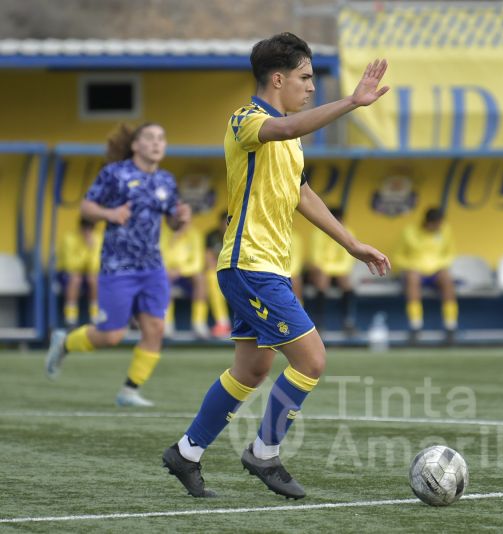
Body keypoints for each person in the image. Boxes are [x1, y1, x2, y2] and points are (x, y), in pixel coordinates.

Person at [161, 33, 391, 499]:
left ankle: (186, 453)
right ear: (278, 79)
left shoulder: (290, 138)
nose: (312, 87)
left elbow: (302, 194)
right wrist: (352, 102)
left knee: (251, 371)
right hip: (250, 264)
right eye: (305, 78)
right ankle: (264, 453)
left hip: (267, 267)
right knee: (312, 359)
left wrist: (352, 244)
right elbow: (283, 130)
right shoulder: (246, 119)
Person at [44, 123, 192, 407]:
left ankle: (129, 391)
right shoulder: (114, 173)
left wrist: (181, 219)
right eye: (150, 137)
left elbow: (172, 222)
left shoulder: (166, 180)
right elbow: (87, 207)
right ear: (135, 145)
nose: (156, 143)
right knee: (111, 335)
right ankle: (64, 343)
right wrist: (110, 214)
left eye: (161, 138)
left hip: (152, 266)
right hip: (118, 266)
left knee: (155, 329)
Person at [394, 207, 458, 345]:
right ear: (428, 222)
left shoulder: (445, 230)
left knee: (447, 279)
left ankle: (450, 327)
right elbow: (398, 256)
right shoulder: (409, 232)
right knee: (412, 278)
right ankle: (415, 326)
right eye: (436, 224)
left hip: (437, 270)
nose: (439, 227)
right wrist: (411, 266)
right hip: (415, 270)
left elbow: (450, 253)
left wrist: (440, 264)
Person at [307, 207, 356, 336]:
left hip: (337, 272)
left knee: (345, 281)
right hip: (322, 272)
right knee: (321, 277)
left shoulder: (348, 233)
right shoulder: (318, 233)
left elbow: (347, 261)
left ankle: (348, 321)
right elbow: (316, 259)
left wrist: (331, 270)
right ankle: (319, 322)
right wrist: (328, 270)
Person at [161, 220, 209, 338]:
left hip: (187, 274)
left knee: (200, 278)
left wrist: (180, 270)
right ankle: (166, 323)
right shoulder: (162, 233)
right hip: (168, 273)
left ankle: (199, 323)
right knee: (163, 278)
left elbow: (197, 263)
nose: (182, 223)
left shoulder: (195, 234)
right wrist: (173, 240)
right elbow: (159, 258)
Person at [57, 217, 102, 328]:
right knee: (75, 278)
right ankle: (70, 316)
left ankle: (95, 315)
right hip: (66, 273)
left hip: (88, 274)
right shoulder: (69, 239)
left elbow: (96, 266)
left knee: (93, 278)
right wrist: (86, 250)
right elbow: (70, 265)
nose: (87, 232)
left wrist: (91, 249)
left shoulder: (97, 239)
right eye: (85, 228)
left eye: (90, 229)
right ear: (80, 228)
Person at [204, 212, 232, 338]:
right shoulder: (212, 236)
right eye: (224, 223)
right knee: (211, 277)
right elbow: (209, 259)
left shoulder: (241, 235)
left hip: (235, 272)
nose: (226, 226)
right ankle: (223, 323)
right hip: (218, 271)